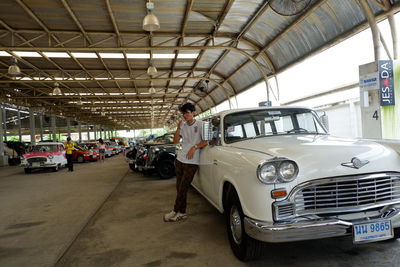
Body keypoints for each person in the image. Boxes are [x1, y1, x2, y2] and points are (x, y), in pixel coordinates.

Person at [163, 102, 207, 222]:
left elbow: (206, 141)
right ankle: (181, 212)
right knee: (179, 187)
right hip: (180, 159)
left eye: (187, 113)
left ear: (193, 113)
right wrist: (178, 128)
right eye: (184, 113)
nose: (185, 115)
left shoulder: (201, 124)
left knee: (183, 187)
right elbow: (175, 141)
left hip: (192, 161)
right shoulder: (183, 126)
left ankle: (176, 210)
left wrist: (195, 147)